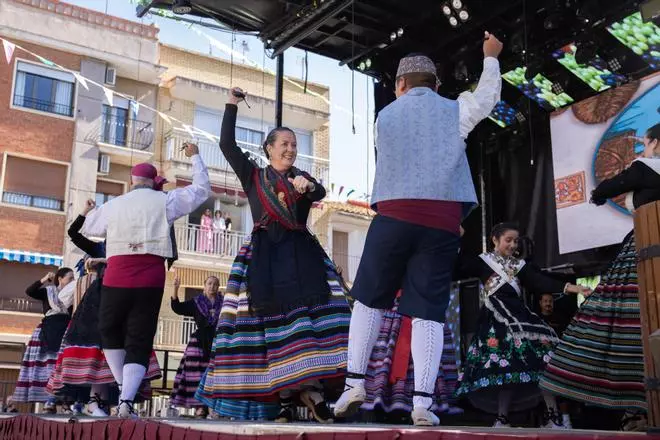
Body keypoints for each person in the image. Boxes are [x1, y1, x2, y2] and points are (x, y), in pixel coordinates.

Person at [335, 32, 504, 427]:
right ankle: (423, 404)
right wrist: (490, 57)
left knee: (369, 300)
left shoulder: (384, 116)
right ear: (437, 85)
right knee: (427, 313)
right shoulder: (453, 109)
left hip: (394, 214)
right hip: (441, 223)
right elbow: (486, 100)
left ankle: (354, 382)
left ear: (399, 85)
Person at [195, 88, 351, 423]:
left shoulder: (301, 178)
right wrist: (232, 105)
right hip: (266, 255)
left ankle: (314, 391)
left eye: (295, 145)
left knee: (312, 318)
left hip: (301, 254)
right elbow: (227, 145)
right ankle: (282, 399)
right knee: (270, 325)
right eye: (285, 144)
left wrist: (308, 188)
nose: (292, 149)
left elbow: (320, 191)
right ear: (269, 149)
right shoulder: (253, 176)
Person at [539, 122, 660, 431]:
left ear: (656, 144)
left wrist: (596, 196)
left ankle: (637, 409)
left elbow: (609, 186)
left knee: (622, 324)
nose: (643, 150)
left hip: (647, 249)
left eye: (645, 144)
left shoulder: (646, 168)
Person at [81, 143, 210, 418]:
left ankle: (122, 390)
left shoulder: (115, 204)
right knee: (139, 337)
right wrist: (196, 156)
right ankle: (126, 400)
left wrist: (87, 210)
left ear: (132, 181)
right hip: (151, 276)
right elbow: (201, 190)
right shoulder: (166, 200)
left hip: (117, 274)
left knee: (110, 330)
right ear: (153, 182)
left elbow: (89, 227)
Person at [455, 223, 590, 429]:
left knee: (543, 362)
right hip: (496, 320)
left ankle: (553, 417)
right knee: (505, 369)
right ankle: (502, 419)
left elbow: (540, 281)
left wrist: (573, 287)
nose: (512, 244)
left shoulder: (519, 265)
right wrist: (456, 238)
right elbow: (459, 266)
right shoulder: (483, 262)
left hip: (522, 317)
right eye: (508, 240)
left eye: (515, 241)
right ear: (495, 240)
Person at [47, 200, 160, 417]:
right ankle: (94, 400)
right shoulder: (99, 246)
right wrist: (85, 212)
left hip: (126, 298)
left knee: (122, 350)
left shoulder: (133, 246)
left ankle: (114, 402)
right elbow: (73, 233)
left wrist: (105, 260)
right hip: (99, 302)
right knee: (100, 350)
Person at [13, 268, 75, 411]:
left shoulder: (73, 294)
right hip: (48, 330)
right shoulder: (48, 291)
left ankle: (64, 402)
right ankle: (49, 401)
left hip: (65, 330)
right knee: (48, 367)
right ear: (60, 278)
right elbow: (30, 291)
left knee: (64, 367)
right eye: (70, 278)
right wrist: (44, 279)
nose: (72, 281)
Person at [169, 274, 223, 418]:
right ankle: (200, 408)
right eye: (210, 283)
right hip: (198, 343)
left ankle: (213, 407)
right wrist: (175, 288)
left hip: (216, 343)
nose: (212, 286)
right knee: (196, 377)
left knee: (214, 376)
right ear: (204, 286)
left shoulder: (223, 303)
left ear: (218, 288)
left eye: (215, 284)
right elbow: (177, 308)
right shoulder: (196, 302)